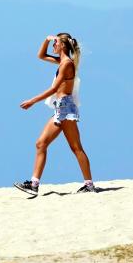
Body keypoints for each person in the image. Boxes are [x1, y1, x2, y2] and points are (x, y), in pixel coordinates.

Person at [14, 32, 95, 196]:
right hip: (61, 107)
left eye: (55, 43)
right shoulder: (62, 62)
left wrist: (32, 101)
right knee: (41, 143)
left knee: (76, 148)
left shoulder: (67, 64)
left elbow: (53, 89)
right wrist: (46, 39)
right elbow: (41, 55)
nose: (53, 46)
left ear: (63, 45)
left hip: (65, 108)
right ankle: (34, 184)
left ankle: (89, 185)